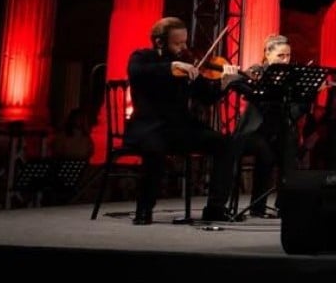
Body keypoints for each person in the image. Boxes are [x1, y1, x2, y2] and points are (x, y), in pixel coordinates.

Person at [124, 16, 241, 225]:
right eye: (178, 43)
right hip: (149, 127)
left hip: (180, 128)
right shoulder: (142, 58)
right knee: (154, 149)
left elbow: (206, 96)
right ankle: (144, 209)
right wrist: (171, 66)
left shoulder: (188, 66)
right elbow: (138, 72)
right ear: (160, 42)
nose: (183, 47)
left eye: (185, 42)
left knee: (225, 144)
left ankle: (215, 208)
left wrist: (225, 84)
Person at [230, 33, 302, 219]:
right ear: (267, 55)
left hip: (278, 131)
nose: (285, 60)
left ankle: (284, 205)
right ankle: (257, 207)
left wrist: (303, 96)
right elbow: (236, 82)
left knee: (290, 149)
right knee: (265, 152)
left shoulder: (291, 78)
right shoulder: (257, 71)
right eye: (281, 56)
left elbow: (297, 110)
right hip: (252, 132)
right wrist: (260, 89)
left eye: (288, 56)